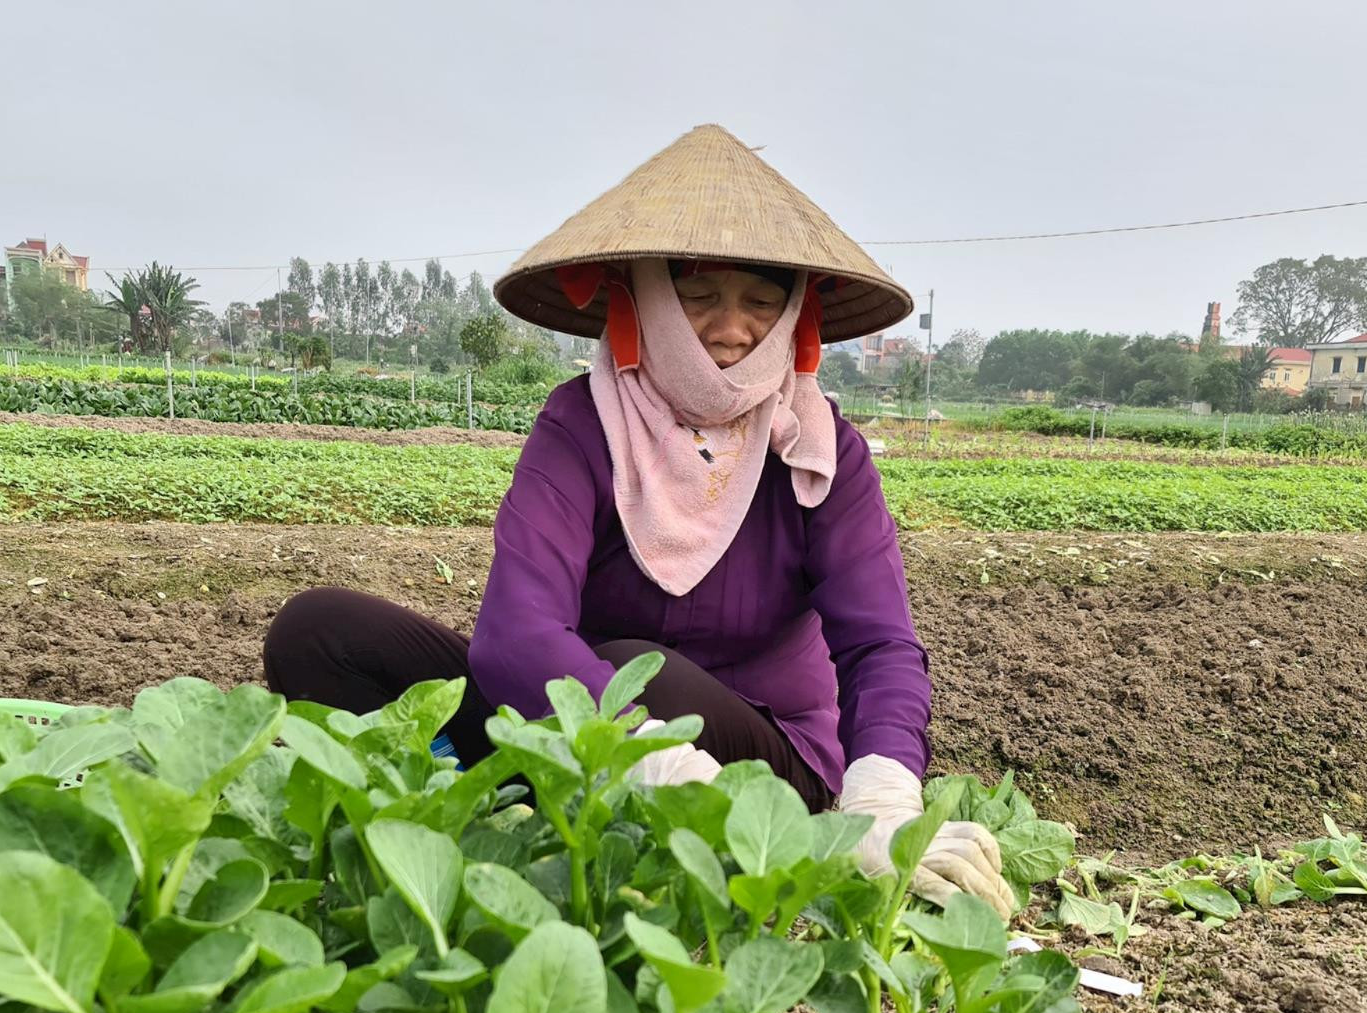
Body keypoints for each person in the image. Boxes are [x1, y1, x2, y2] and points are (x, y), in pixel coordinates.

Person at [263, 125, 1013, 918]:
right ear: (646, 299)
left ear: (798, 315)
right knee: (320, 632)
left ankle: (726, 839)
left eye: (762, 302)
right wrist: (653, 762)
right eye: (698, 298)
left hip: (759, 762)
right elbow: (518, 635)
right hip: (598, 739)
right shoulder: (581, 425)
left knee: (631, 665)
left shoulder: (826, 452)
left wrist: (884, 800)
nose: (731, 329)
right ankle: (502, 815)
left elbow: (881, 644)